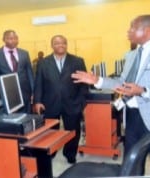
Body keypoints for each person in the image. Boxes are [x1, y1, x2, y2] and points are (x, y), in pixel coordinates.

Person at [71, 14, 150, 175]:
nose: (129, 32)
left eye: (132, 28)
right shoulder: (131, 55)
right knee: (132, 164)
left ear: (147, 30)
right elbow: (122, 82)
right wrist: (97, 80)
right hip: (133, 118)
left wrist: (144, 91)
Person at [33, 35, 88, 164]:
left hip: (72, 103)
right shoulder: (43, 63)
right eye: (57, 43)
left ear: (66, 44)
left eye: (63, 43)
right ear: (52, 46)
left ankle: (70, 153)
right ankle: (51, 151)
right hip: (50, 103)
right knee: (50, 131)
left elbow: (84, 84)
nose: (60, 45)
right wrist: (38, 101)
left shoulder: (77, 61)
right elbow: (38, 83)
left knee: (72, 130)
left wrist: (81, 102)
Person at [0, 30, 34, 113]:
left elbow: (29, 73)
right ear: (4, 39)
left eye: (15, 38)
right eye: (10, 38)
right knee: (10, 120)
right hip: (6, 93)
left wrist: (33, 91)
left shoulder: (24, 53)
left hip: (24, 91)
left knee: (26, 117)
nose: (13, 40)